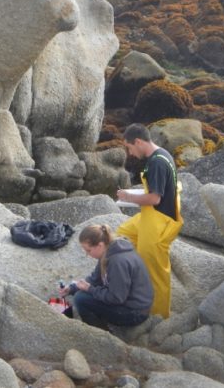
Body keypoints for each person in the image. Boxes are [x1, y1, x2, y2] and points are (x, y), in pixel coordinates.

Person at [115, 123, 183, 318]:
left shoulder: (157, 163)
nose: (130, 153)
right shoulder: (161, 155)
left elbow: (154, 198)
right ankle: (132, 288)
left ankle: (158, 316)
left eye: (129, 148)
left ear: (138, 141)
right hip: (150, 215)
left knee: (156, 271)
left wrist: (128, 198)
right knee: (121, 236)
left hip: (160, 220)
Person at [60, 224, 153, 329]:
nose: (87, 254)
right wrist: (73, 288)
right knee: (80, 294)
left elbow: (116, 298)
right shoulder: (108, 251)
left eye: (88, 250)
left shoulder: (117, 262)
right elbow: (95, 279)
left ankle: (101, 334)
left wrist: (90, 289)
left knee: (80, 299)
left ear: (99, 245)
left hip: (135, 313)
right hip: (127, 303)